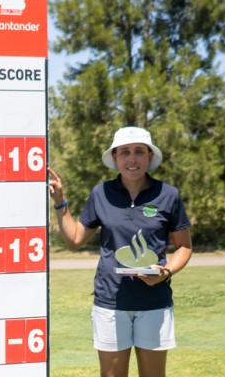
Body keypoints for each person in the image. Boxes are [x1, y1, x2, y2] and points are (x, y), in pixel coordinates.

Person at [48, 126, 192, 377]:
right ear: (115, 158)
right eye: (124, 152)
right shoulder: (101, 193)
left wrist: (166, 271)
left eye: (139, 152)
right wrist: (60, 202)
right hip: (110, 303)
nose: (132, 159)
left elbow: (184, 247)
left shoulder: (169, 195)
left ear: (149, 156)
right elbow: (74, 240)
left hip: (154, 303)